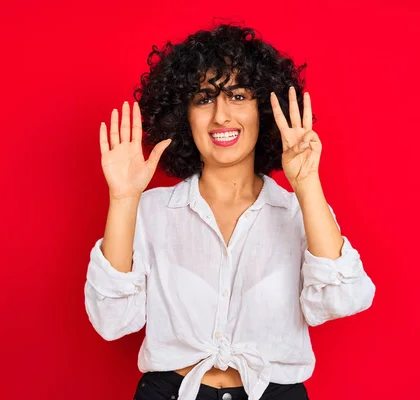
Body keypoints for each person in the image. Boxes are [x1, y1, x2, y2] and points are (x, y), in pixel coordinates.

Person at [84, 23, 376, 400]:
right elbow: (112, 322)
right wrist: (123, 200)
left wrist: (307, 185)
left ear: (264, 109)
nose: (221, 116)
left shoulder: (298, 211)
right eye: (204, 99)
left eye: (237, 96)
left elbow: (344, 299)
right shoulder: (150, 212)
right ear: (184, 115)